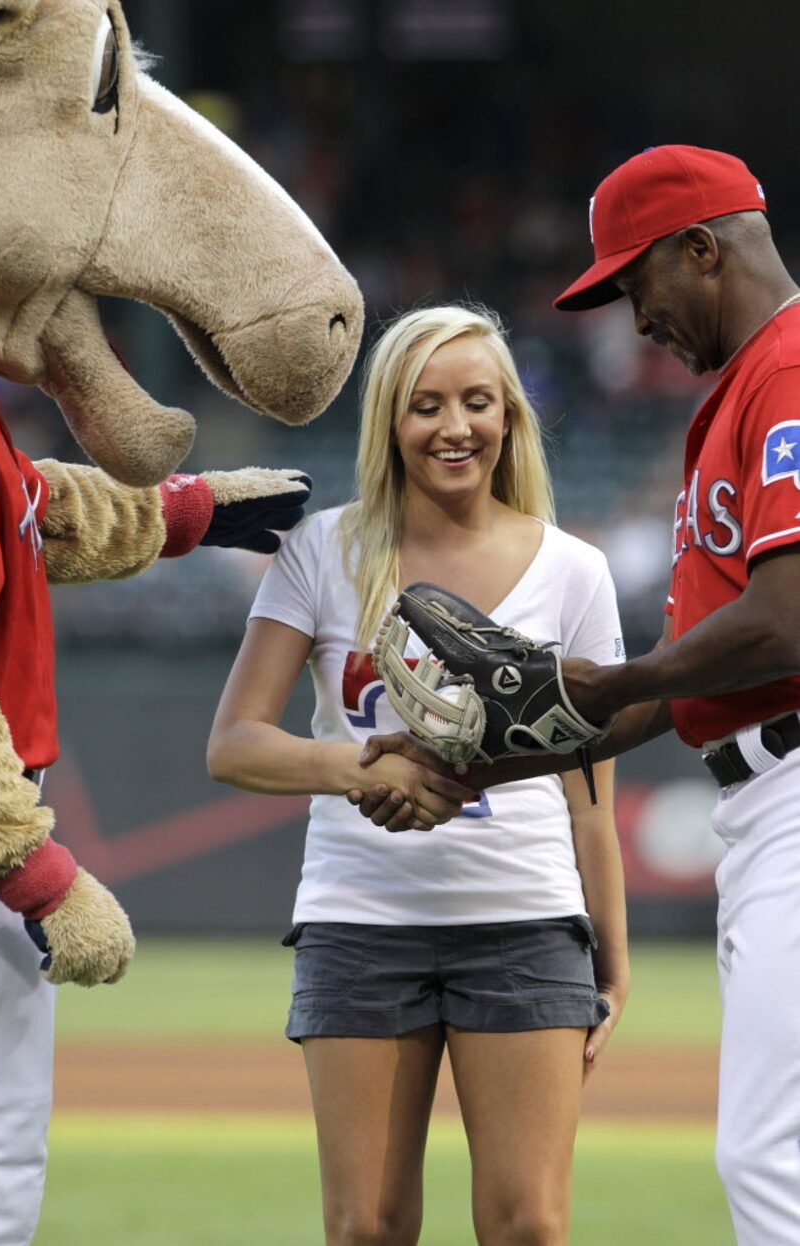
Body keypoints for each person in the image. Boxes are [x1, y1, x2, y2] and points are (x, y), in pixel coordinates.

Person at [353, 146, 800, 1246]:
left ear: (700, 250)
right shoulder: (742, 390)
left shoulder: (786, 371)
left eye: (631, 282)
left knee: (767, 1151)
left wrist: (604, 676)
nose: (630, 317)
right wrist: (479, 767)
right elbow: (686, 676)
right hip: (761, 787)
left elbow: (786, 620)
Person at [207, 305, 629, 1246]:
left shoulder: (575, 570)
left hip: (524, 921)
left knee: (528, 1227)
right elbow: (234, 743)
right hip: (360, 924)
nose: (454, 426)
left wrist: (615, 959)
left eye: (478, 402)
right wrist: (363, 765)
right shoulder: (324, 548)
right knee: (367, 1228)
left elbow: (588, 794)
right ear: (389, 423)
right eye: (425, 405)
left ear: (510, 417)